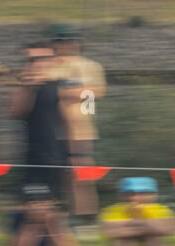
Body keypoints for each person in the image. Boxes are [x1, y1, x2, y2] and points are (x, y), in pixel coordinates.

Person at [48, 25, 107, 222]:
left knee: (83, 173)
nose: (65, 45)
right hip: (52, 127)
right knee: (57, 175)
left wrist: (66, 93)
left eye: (69, 41)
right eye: (60, 41)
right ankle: (61, 217)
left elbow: (93, 96)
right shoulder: (49, 65)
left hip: (81, 127)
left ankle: (86, 216)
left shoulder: (89, 66)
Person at [10, 43, 68, 199]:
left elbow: (87, 112)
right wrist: (28, 88)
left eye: (41, 58)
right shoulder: (26, 85)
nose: (36, 64)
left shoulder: (64, 84)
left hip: (65, 154)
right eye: (31, 60)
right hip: (34, 155)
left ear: (54, 60)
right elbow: (15, 112)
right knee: (33, 203)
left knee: (60, 204)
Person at [98, 177, 175, 246]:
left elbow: (169, 229)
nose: (135, 198)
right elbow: (109, 231)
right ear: (121, 196)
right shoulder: (112, 211)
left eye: (143, 193)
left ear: (153, 195)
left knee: (154, 239)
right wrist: (146, 226)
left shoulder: (162, 210)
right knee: (121, 241)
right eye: (130, 193)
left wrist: (132, 224)